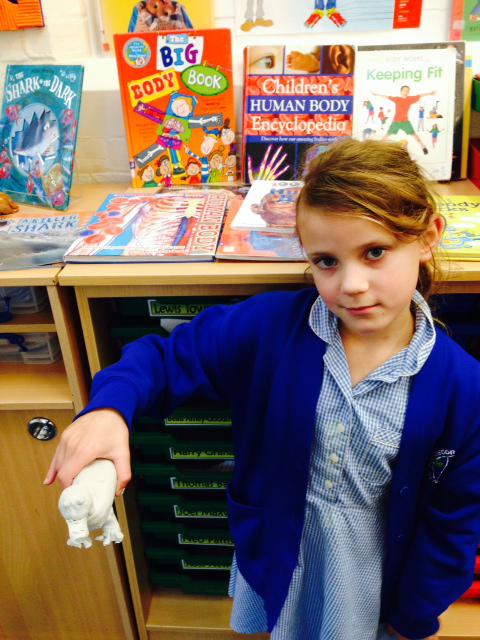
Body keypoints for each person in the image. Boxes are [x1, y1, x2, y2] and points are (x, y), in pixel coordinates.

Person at [44, 139, 480, 640]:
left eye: (375, 252)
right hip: (274, 557)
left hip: (370, 586)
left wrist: (414, 617)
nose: (352, 284)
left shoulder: (463, 388)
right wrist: (108, 411)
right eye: (327, 261)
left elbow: (455, 521)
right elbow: (164, 357)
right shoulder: (268, 329)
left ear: (427, 237)